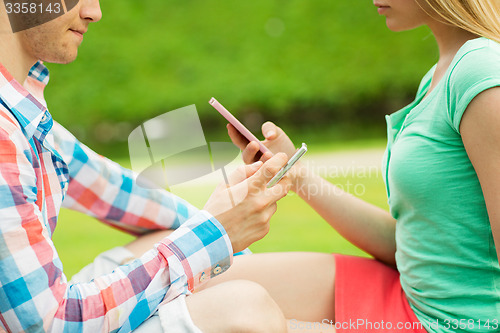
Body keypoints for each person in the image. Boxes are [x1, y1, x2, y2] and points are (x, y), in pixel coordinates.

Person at [199, 0, 500, 332]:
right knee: (197, 286)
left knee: (225, 319)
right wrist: (295, 173)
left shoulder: (481, 74)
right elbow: (410, 240)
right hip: (405, 292)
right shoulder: (441, 73)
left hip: (451, 323)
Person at [0, 1, 293, 332]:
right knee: (244, 309)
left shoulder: (21, 108)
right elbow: (51, 324)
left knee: (234, 272)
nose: (94, 12)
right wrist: (213, 235)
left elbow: (118, 191)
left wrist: (224, 225)